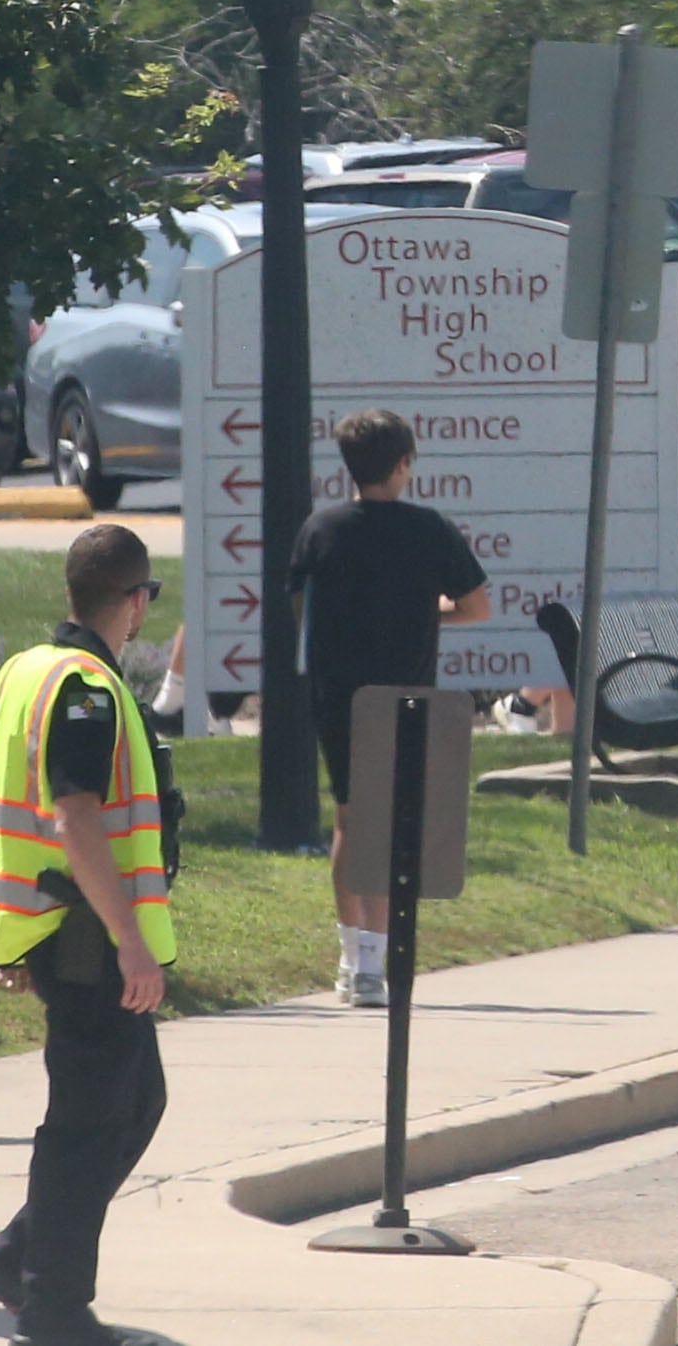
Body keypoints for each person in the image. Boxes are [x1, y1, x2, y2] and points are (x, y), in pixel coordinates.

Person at [0, 525, 178, 1346]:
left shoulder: (25, 670)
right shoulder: (86, 686)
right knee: (88, 1115)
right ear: (135, 602)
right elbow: (73, 815)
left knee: (134, 1101)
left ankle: (20, 1258)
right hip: (86, 934)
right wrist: (129, 940)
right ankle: (53, 1305)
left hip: (55, 928)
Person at [291, 406, 490, 1007]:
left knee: (350, 821)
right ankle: (379, 956)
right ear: (404, 464)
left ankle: (356, 961)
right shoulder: (430, 530)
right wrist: (425, 610)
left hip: (341, 696)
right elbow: (477, 606)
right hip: (408, 696)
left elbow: (301, 607)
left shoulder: (321, 530)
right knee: (393, 826)